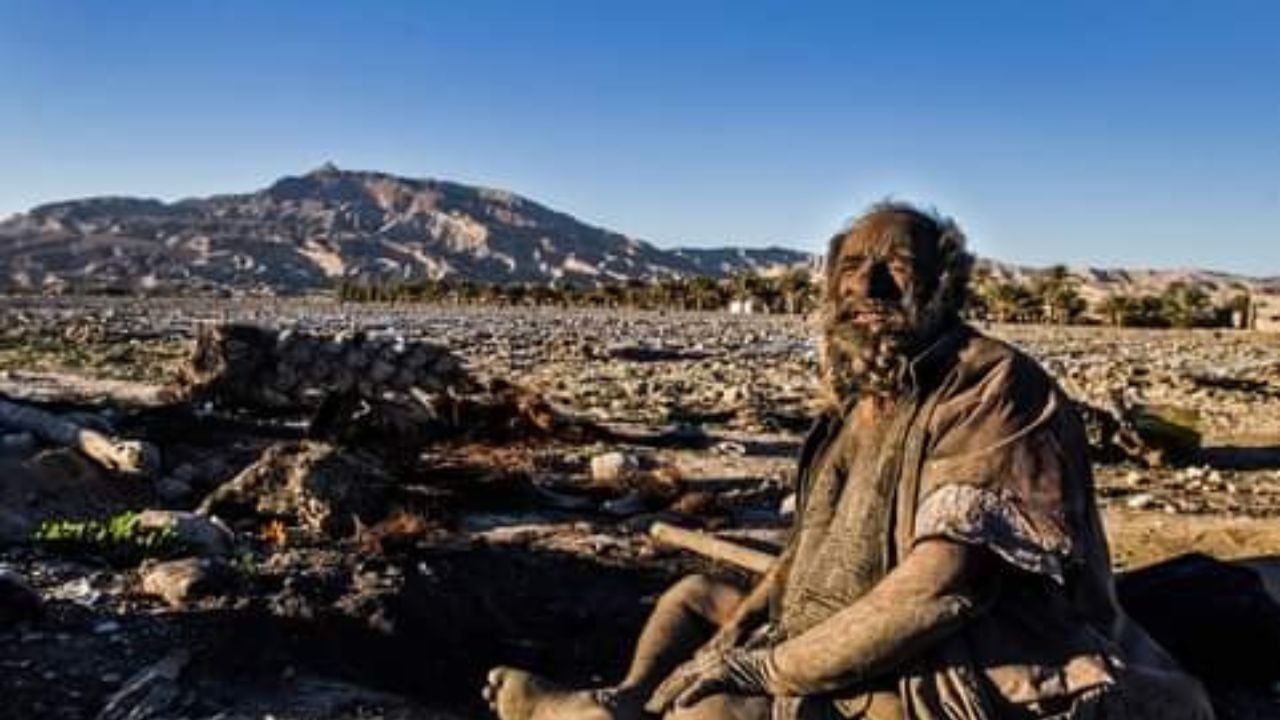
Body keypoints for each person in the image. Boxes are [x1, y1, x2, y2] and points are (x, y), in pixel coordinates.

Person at [482, 202, 1214, 719]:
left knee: (714, 712)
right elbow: (809, 549)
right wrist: (758, 617)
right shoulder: (853, 404)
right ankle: (626, 700)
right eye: (853, 267)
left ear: (944, 287)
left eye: (896, 266)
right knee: (696, 600)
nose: (868, 286)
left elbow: (942, 589)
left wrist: (762, 666)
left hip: (959, 654)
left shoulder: (992, 384)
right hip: (826, 630)